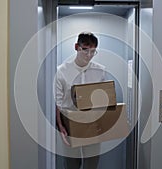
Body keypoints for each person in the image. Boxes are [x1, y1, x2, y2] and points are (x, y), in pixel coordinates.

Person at [54, 32, 106, 169]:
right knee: (71, 164)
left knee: (91, 164)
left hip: (92, 123)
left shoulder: (100, 71)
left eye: (93, 51)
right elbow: (58, 103)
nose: (88, 55)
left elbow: (102, 100)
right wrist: (61, 127)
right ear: (77, 47)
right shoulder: (62, 71)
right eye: (85, 49)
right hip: (70, 124)